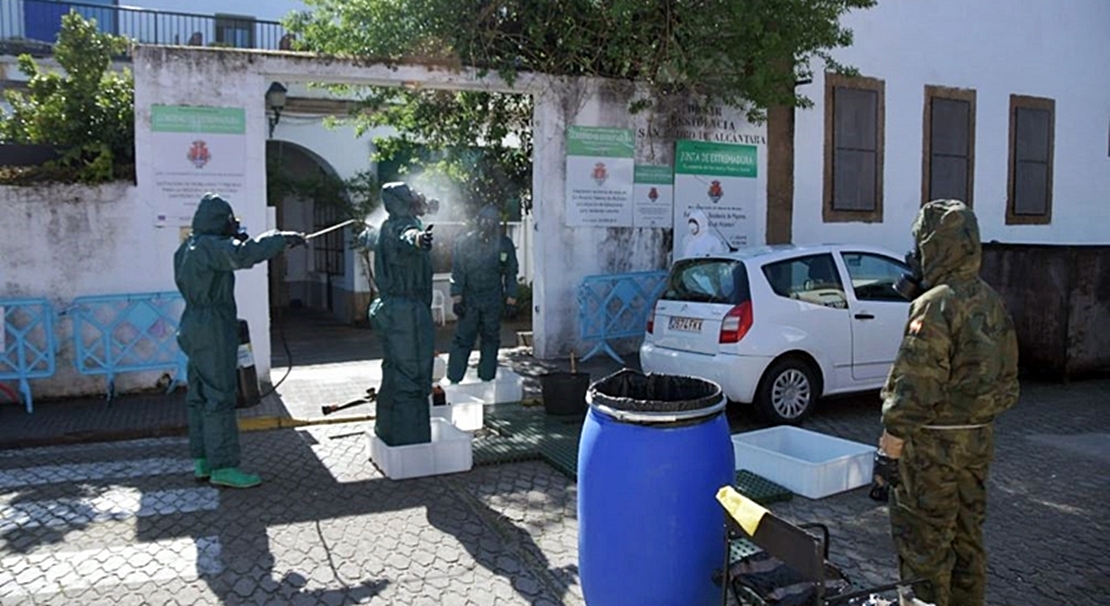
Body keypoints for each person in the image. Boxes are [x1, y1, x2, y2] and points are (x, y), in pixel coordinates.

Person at [875, 199, 1019, 606]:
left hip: (931, 452)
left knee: (924, 548)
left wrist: (891, 448)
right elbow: (1008, 381)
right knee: (967, 539)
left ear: (935, 246)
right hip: (977, 443)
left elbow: (914, 389)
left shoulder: (935, 304)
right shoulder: (991, 299)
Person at [175, 193, 306, 489]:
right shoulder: (211, 247)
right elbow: (244, 254)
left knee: (199, 395)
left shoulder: (187, 248)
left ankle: (203, 460)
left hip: (192, 324)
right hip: (212, 328)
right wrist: (281, 239)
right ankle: (223, 466)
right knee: (220, 396)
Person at [368, 182, 437, 446]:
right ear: (397, 202)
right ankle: (411, 440)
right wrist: (419, 239)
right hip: (406, 314)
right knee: (413, 378)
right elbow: (407, 236)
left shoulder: (385, 226)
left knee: (393, 373)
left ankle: (386, 430)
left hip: (390, 309)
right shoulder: (399, 226)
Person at [447, 204, 520, 383]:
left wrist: (511, 300)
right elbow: (458, 272)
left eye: (492, 221)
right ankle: (454, 378)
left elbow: (511, 273)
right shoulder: (464, 242)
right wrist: (457, 298)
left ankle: (487, 377)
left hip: (493, 299)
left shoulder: (504, 244)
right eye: (485, 220)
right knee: (463, 338)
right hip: (470, 299)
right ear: (478, 221)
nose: (488, 224)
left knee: (491, 339)